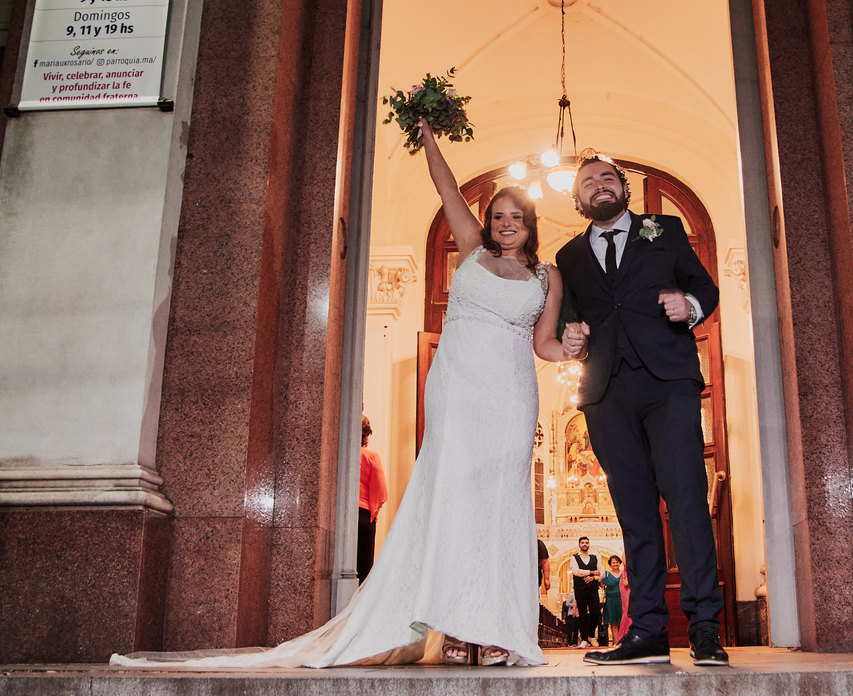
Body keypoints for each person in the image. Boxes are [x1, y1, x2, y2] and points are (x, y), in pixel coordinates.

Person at [112, 117, 586, 669]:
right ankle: (455, 629)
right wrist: (428, 135)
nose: (507, 224)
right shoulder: (471, 248)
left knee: (502, 509)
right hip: (459, 390)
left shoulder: (546, 279)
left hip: (510, 398)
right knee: (452, 504)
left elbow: (546, 345)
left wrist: (573, 347)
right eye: (499, 216)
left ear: (531, 224)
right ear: (489, 220)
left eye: (517, 218)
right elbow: (447, 188)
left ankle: (501, 629)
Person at [555, 154, 729, 666]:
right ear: (578, 199)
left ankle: (703, 629)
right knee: (634, 513)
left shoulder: (665, 230)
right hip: (606, 393)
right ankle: (648, 629)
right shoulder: (568, 257)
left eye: (608, 178)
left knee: (688, 504)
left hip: (668, 384)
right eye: (588, 182)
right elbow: (570, 319)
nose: (599, 186)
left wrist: (689, 306)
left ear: (623, 188)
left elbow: (706, 289)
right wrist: (571, 334)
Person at [357, 414, 388, 582]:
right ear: (364, 435)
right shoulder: (371, 457)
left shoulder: (343, 456)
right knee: (364, 567)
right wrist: (374, 512)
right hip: (364, 515)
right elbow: (380, 492)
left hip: (344, 516)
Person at [570, 536, 603, 647]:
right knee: (582, 614)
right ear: (579, 545)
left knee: (595, 612)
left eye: (586, 542)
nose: (585, 544)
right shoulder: (574, 558)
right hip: (580, 589)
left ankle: (591, 635)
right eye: (582, 542)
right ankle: (584, 639)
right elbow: (576, 571)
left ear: (589, 544)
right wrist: (592, 572)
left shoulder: (595, 557)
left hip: (593, 588)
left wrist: (593, 578)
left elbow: (602, 573)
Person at [601, 555, 626, 645]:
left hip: (622, 599)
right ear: (610, 564)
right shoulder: (606, 574)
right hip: (610, 600)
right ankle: (616, 641)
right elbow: (601, 585)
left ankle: (623, 640)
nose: (615, 564)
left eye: (617, 562)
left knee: (622, 620)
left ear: (620, 563)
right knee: (613, 621)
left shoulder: (624, 573)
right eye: (613, 562)